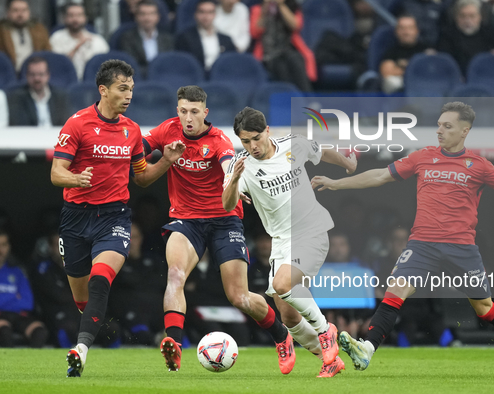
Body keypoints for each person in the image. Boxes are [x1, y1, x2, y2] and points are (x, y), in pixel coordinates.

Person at [311, 101, 494, 377]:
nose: (440, 130)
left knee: (484, 309)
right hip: (422, 244)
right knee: (395, 290)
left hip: (461, 248)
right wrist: (336, 183)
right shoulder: (422, 156)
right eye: (439, 124)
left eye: (447, 126)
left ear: (465, 131)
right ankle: (366, 349)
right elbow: (380, 175)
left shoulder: (479, 165)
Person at [140, 86, 294, 374]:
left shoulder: (219, 140)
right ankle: (173, 344)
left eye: (195, 112)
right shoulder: (166, 130)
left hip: (225, 220)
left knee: (240, 297)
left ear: (205, 113)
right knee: (175, 274)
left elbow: (228, 165)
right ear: (177, 111)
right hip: (186, 220)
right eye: (183, 111)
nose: (188, 118)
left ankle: (281, 336)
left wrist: (234, 181)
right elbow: (138, 150)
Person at [50, 59, 185, 377]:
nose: (128, 95)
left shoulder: (131, 129)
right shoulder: (77, 124)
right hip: (75, 218)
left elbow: (141, 177)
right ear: (103, 89)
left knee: (101, 279)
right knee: (83, 299)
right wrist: (76, 179)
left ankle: (80, 350)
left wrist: (166, 160)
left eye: (131, 90)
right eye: (122, 89)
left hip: (114, 216)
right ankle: (96, 328)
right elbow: (57, 173)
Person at [222, 107, 358, 377]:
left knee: (283, 284)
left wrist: (348, 164)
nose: (252, 146)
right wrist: (235, 179)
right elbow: (227, 205)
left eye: (256, 138)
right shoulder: (241, 165)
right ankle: (329, 359)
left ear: (267, 131)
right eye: (245, 141)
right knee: (289, 316)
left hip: (312, 230)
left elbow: (321, 151)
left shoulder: (293, 144)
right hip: (282, 241)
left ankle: (325, 332)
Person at [250, 0, 315, 91]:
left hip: (287, 49)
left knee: (296, 60)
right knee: (281, 67)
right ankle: (291, 100)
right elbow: (255, 32)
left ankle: (309, 99)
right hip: (269, 53)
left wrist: (281, 5)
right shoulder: (258, 9)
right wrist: (265, 9)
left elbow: (296, 26)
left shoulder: (293, 7)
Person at [0, 228, 49, 348]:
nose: (0, 250)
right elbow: (19, 299)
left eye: (3, 245)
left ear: (9, 247)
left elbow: (28, 302)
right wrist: (14, 296)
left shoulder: (17, 272)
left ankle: (32, 365)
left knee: (40, 331)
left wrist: (4, 298)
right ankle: (7, 364)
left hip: (18, 315)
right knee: (4, 331)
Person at [438, 0, 494, 75]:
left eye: (472, 16)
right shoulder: (447, 35)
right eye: (462, 16)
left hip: (487, 75)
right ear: (456, 17)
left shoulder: (490, 31)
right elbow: (446, 63)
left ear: (480, 17)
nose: (467, 20)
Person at [50, 2, 109, 80]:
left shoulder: (97, 40)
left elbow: (106, 67)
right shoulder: (56, 38)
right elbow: (56, 66)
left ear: (85, 18)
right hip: (64, 83)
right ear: (64, 18)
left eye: (79, 15)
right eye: (71, 15)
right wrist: (78, 46)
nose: (75, 19)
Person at [7, 56, 69, 126]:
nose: (36, 78)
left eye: (41, 74)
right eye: (32, 75)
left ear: (48, 75)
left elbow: (65, 125)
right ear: (26, 76)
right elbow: (20, 126)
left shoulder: (60, 97)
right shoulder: (17, 98)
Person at [175, 0, 235, 72]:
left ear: (215, 14)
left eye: (210, 12)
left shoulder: (226, 40)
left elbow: (231, 63)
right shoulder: (185, 38)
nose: (206, 16)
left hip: (221, 77)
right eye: (202, 12)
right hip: (195, 77)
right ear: (195, 14)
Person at [119, 0, 174, 78]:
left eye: (151, 14)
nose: (147, 18)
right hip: (137, 79)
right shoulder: (127, 38)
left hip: (164, 78)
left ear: (158, 17)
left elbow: (169, 63)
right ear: (136, 17)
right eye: (143, 14)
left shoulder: (168, 39)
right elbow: (130, 65)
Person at [379, 14, 430, 94]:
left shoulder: (426, 50)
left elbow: (431, 72)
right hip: (401, 86)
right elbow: (387, 72)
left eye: (410, 28)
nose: (406, 32)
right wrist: (416, 69)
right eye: (402, 28)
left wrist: (403, 67)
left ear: (417, 30)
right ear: (396, 31)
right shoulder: (391, 51)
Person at [0, 0, 51, 71]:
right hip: (10, 72)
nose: (20, 14)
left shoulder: (39, 29)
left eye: (24, 10)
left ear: (29, 12)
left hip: (35, 73)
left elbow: (48, 52)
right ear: (8, 12)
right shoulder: (2, 31)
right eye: (15, 10)